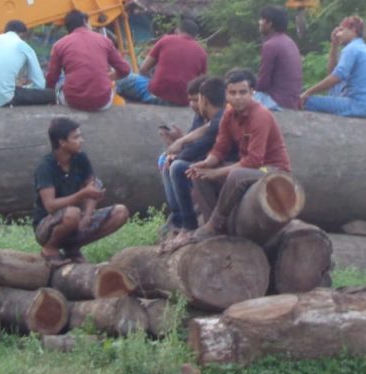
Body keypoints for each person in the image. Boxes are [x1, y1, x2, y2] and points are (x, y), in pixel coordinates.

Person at [165, 69, 290, 250]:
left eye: (242, 92)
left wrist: (216, 172)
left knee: (236, 175)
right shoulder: (228, 116)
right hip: (248, 168)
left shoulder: (260, 115)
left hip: (271, 170)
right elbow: (220, 149)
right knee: (196, 173)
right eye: (233, 93)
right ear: (226, 94)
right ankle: (215, 230)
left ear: (252, 92)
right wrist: (205, 164)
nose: (237, 97)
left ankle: (214, 224)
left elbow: (254, 160)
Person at [33, 117, 129, 267]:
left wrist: (88, 214)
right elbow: (50, 206)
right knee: (72, 213)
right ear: (62, 142)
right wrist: (82, 195)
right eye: (76, 137)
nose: (81, 140)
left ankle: (72, 248)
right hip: (47, 226)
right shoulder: (46, 167)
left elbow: (91, 185)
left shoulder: (80, 158)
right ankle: (50, 249)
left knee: (120, 212)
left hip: (75, 219)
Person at [157, 76, 229, 236]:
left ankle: (187, 224)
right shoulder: (204, 116)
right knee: (167, 160)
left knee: (176, 166)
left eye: (196, 100)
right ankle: (177, 217)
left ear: (204, 99)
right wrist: (178, 145)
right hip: (210, 159)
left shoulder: (222, 117)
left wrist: (180, 154)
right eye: (190, 100)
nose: (192, 105)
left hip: (224, 164)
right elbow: (196, 135)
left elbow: (205, 142)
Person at [299, 15, 366, 118]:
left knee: (307, 101)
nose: (338, 34)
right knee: (335, 88)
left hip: (360, 105)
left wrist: (308, 92)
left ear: (353, 30)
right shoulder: (361, 47)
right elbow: (332, 72)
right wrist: (334, 45)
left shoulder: (352, 48)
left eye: (341, 30)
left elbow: (337, 77)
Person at [46, 10, 132, 112]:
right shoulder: (104, 41)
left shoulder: (59, 45)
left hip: (73, 102)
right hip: (102, 102)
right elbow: (125, 70)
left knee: (61, 83)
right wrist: (107, 77)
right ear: (85, 22)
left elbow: (51, 78)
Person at [120, 17, 207, 106]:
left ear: (177, 30)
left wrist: (153, 80)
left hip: (158, 95)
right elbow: (203, 83)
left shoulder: (166, 40)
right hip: (184, 101)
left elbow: (143, 69)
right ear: (195, 37)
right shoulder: (202, 52)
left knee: (124, 78)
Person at [255, 5, 303, 111]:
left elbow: (263, 83)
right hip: (292, 101)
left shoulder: (270, 45)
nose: (259, 22)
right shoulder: (289, 41)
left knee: (239, 98)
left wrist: (250, 87)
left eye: (262, 20)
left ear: (269, 24)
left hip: (278, 102)